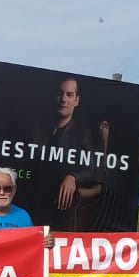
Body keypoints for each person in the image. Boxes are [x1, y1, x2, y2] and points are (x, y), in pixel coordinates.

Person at [39, 76, 113, 231]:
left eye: (69, 95)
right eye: (61, 94)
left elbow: (95, 170)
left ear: (76, 101)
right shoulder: (39, 129)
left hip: (59, 201)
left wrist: (73, 177)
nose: (64, 99)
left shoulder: (83, 133)